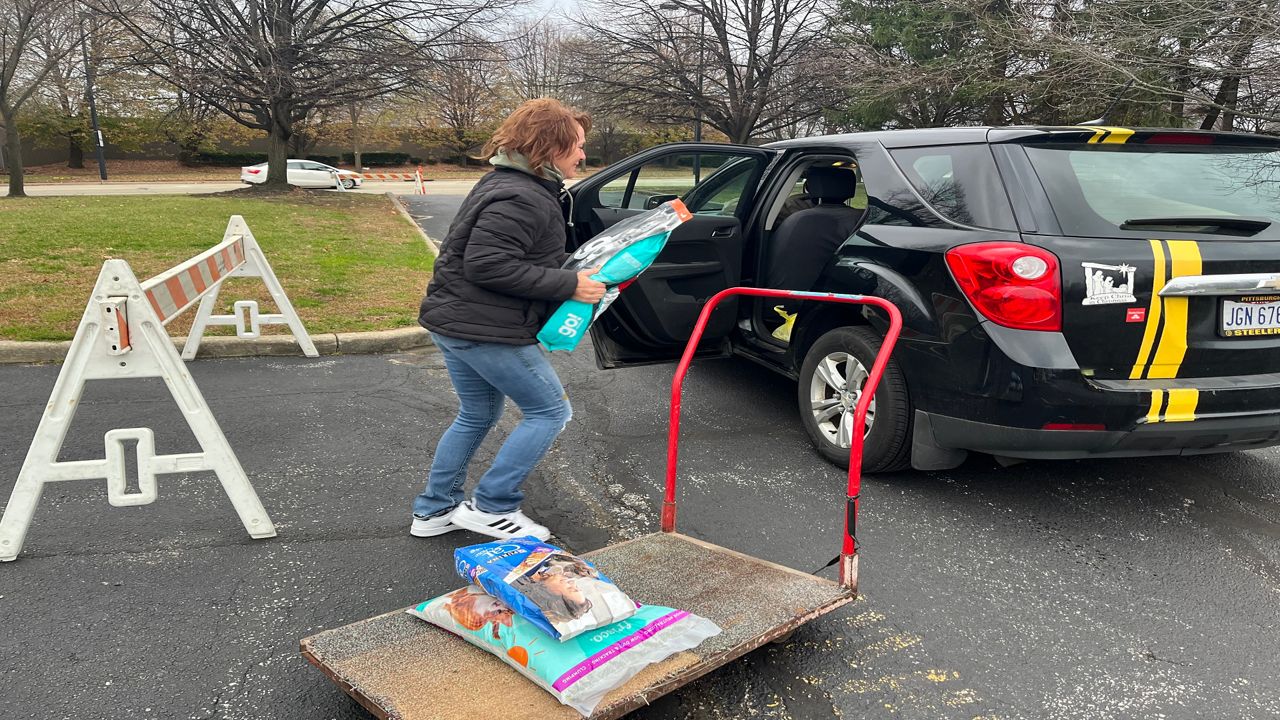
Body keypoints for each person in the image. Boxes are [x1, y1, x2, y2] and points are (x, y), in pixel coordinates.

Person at [409, 98, 605, 542]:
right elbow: (487, 265)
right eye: (576, 145)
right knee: (550, 411)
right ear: (549, 146)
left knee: (477, 414)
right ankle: (493, 506)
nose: (582, 155)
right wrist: (568, 285)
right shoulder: (522, 195)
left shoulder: (509, 182)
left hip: (459, 323)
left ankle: (435, 510)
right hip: (484, 329)